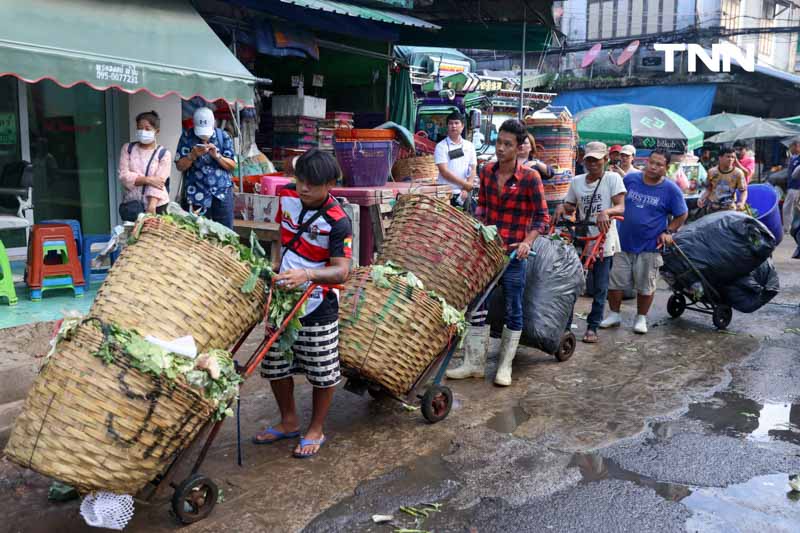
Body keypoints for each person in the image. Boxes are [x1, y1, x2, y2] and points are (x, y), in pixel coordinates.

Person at [254, 149, 352, 458]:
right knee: (275, 364)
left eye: (312, 183)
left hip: (318, 302)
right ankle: (289, 421)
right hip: (284, 296)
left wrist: (308, 274)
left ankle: (316, 429)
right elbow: (287, 169)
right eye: (300, 180)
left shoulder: (339, 222)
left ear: (330, 184)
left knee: (322, 370)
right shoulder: (286, 195)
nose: (304, 188)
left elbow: (342, 271)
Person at [446, 119, 550, 386]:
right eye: (499, 142)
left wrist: (528, 242)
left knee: (513, 308)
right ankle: (474, 363)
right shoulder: (487, 170)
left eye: (507, 144)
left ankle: (505, 366)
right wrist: (477, 224)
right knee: (477, 304)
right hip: (487, 252)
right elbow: (482, 207)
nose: (501, 148)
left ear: (519, 148)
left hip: (515, 255)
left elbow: (542, 218)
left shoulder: (530, 178)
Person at [601, 149, 688, 334]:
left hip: (650, 245)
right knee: (615, 281)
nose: (653, 167)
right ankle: (614, 314)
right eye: (652, 163)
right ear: (646, 162)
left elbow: (682, 214)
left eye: (659, 165)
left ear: (666, 168)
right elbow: (617, 201)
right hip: (622, 241)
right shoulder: (631, 180)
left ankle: (641, 318)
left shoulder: (671, 189)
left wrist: (669, 231)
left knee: (645, 284)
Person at [553, 142, 626, 343]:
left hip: (604, 239)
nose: (592, 163)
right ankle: (565, 326)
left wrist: (606, 212)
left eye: (596, 159)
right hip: (582, 237)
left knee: (600, 286)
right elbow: (570, 205)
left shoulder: (613, 179)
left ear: (605, 160)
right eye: (589, 160)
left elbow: (620, 207)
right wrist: (563, 207)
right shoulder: (577, 181)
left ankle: (593, 326)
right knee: (572, 283)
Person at [175, 107, 237, 228]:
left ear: (213, 124)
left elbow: (232, 165)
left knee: (226, 232)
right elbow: (179, 166)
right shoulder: (187, 136)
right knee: (197, 234)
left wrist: (217, 156)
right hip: (196, 194)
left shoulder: (223, 136)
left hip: (222, 193)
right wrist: (192, 155)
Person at [118, 111, 171, 217]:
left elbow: (159, 182)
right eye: (140, 128)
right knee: (132, 233)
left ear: (157, 131)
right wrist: (148, 180)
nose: (143, 132)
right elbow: (123, 176)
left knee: (153, 234)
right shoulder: (128, 148)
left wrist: (151, 207)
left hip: (157, 205)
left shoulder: (164, 153)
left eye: (147, 129)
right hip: (133, 205)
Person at [434, 111, 477, 208]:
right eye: (450, 123)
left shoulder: (469, 146)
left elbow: (473, 168)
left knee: (464, 221)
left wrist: (467, 188)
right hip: (445, 194)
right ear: (447, 126)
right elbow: (444, 171)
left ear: (462, 126)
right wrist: (465, 184)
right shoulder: (441, 146)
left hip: (464, 194)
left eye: (456, 123)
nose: (453, 126)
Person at [698, 147, 748, 212]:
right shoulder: (712, 172)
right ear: (720, 158)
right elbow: (709, 189)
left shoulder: (738, 173)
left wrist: (742, 202)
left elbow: (743, 191)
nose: (730, 159)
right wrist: (701, 198)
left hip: (729, 208)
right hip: (713, 207)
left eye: (733, 157)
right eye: (728, 156)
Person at [782, 140, 800, 233]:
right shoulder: (793, 158)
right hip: (792, 187)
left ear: (797, 146)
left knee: (788, 208)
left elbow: (795, 174)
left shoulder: (797, 159)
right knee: (794, 208)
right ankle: (790, 227)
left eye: (791, 146)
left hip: (796, 187)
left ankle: (788, 228)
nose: (790, 149)